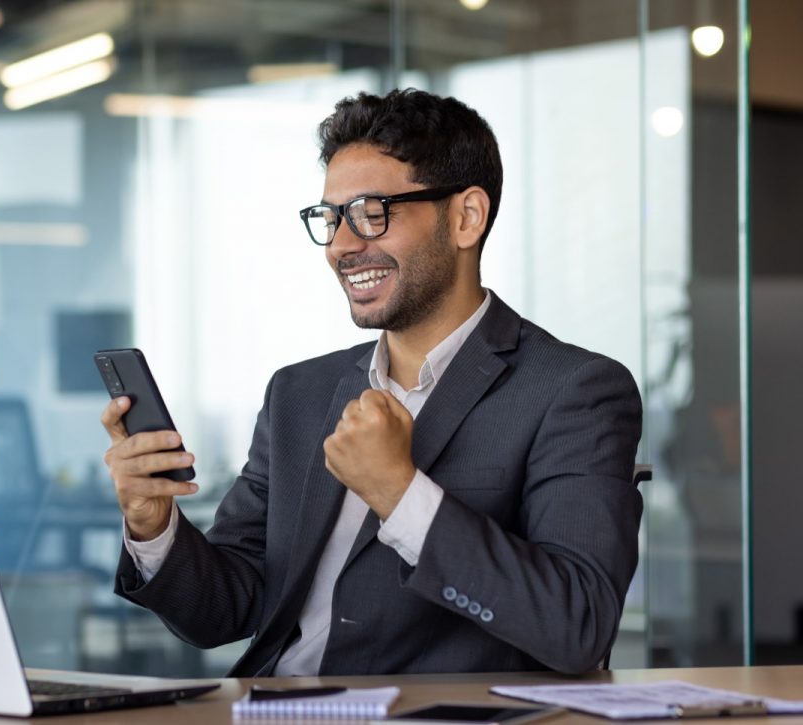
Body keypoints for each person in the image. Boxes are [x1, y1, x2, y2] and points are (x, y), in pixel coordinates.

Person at [99, 88, 643, 677]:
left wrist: (400, 492)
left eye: (371, 212)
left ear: (466, 217)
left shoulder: (573, 390)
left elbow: (577, 626)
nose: (342, 246)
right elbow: (226, 611)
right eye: (331, 218)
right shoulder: (298, 395)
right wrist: (155, 528)